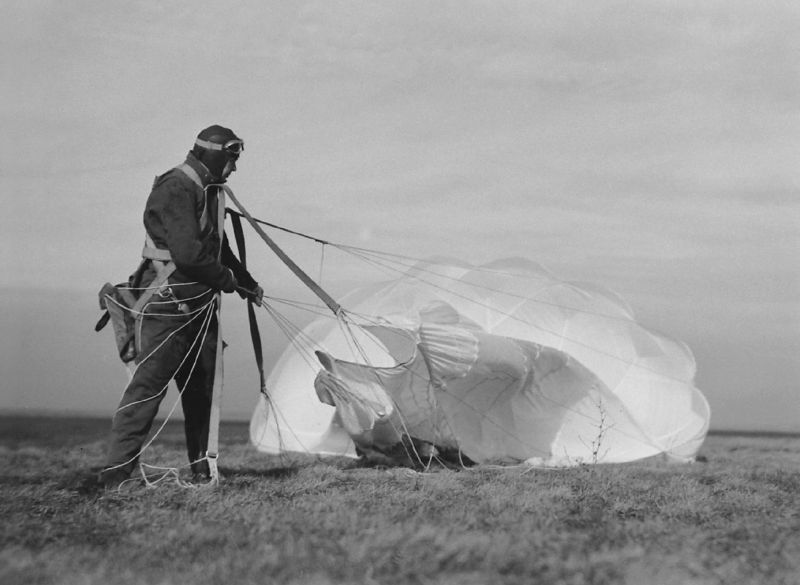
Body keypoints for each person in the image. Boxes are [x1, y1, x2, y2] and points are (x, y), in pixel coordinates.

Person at [99, 125, 263, 490]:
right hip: (166, 309)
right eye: (232, 159)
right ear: (216, 154)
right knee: (147, 392)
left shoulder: (209, 191)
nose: (235, 168)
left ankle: (202, 471)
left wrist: (247, 284)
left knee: (203, 392)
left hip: (201, 311)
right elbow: (188, 254)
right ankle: (114, 477)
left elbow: (215, 248)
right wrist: (226, 281)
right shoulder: (176, 187)